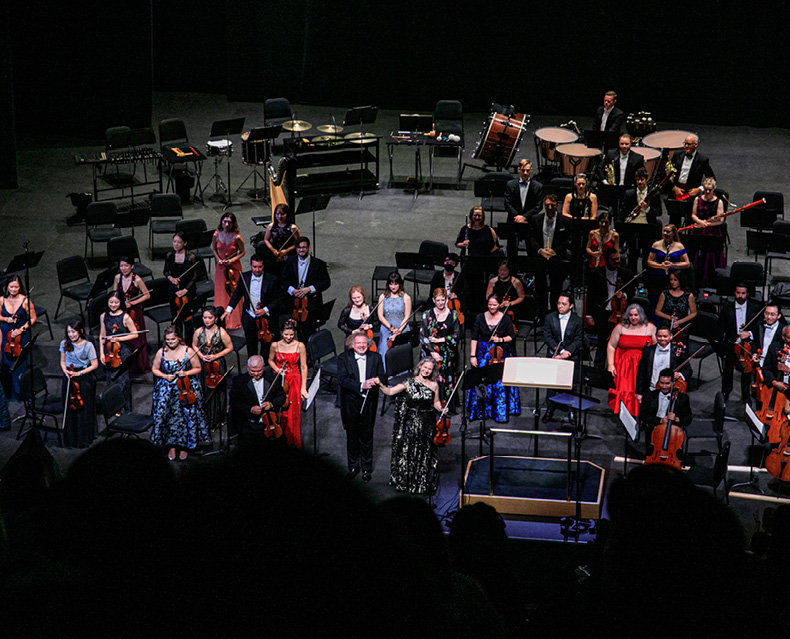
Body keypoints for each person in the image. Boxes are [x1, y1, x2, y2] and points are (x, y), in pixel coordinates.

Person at [377, 358, 444, 495]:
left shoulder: (434, 385)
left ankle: (420, 481)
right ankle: (407, 481)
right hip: (411, 423)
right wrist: (379, 384)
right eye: (424, 367)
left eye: (429, 369)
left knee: (424, 451)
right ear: (420, 367)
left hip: (427, 423)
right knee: (409, 451)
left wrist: (442, 408)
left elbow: (435, 402)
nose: (426, 370)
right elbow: (389, 392)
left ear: (433, 371)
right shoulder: (408, 383)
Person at [151, 324, 210, 461]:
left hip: (185, 387)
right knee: (169, 417)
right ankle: (171, 445)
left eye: (173, 339)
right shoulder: (162, 352)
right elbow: (155, 368)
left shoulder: (188, 351)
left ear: (179, 338)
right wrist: (165, 376)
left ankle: (185, 446)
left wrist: (185, 372)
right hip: (167, 389)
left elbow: (197, 368)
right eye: (168, 340)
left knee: (186, 418)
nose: (170, 342)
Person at [338, 333, 387, 482]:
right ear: (352, 345)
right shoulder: (343, 358)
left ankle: (366, 468)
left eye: (364, 343)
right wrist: (361, 386)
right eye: (358, 343)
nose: (361, 346)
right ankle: (353, 466)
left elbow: (383, 377)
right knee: (352, 435)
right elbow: (342, 380)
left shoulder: (376, 358)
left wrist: (377, 380)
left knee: (367, 436)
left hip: (369, 402)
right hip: (351, 402)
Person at [467, 294, 520, 423]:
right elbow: (474, 337)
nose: (492, 307)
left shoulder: (505, 318)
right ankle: (481, 411)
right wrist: (473, 356)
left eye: (495, 305)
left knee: (499, 383)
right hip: (483, 353)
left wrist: (500, 339)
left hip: (500, 354)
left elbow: (512, 336)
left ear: (499, 305)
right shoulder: (480, 317)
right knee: (482, 381)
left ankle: (499, 412)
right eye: (490, 304)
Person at [223, 255, 281, 358]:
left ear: (263, 266)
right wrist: (229, 310)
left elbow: (278, 299)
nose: (257, 270)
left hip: (266, 318)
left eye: (260, 267)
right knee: (251, 344)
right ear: (250, 265)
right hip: (249, 316)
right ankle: (252, 367)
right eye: (254, 267)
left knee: (266, 345)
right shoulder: (244, 277)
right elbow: (237, 294)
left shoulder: (273, 279)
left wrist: (265, 310)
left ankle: (265, 367)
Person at [587, 248, 634, 368]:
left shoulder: (626, 273)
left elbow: (632, 293)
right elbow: (591, 295)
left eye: (618, 258)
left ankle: (617, 369)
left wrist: (624, 295)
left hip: (619, 313)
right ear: (606, 260)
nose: (617, 261)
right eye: (613, 260)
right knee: (602, 342)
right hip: (602, 312)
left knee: (619, 343)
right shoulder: (596, 273)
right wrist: (589, 315)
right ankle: (598, 369)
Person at [542, 292, 585, 424]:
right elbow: (548, 337)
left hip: (570, 355)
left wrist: (568, 352)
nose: (560, 306)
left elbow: (579, 340)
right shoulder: (550, 318)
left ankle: (572, 410)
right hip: (555, 354)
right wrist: (560, 351)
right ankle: (549, 409)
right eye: (559, 303)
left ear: (571, 305)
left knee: (571, 383)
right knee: (551, 383)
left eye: (564, 304)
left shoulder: (578, 321)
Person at [229, 354, 287, 448]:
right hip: (249, 425)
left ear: (263, 366)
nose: (256, 374)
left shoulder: (272, 378)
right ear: (248, 368)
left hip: (270, 424)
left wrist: (271, 404)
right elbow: (234, 402)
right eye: (252, 371)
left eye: (259, 371)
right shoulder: (239, 381)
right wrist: (250, 409)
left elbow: (282, 396)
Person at [608, 303, 656, 415]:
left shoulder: (650, 328)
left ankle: (639, 414)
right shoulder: (620, 327)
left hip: (641, 365)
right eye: (631, 315)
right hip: (624, 366)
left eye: (636, 315)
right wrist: (610, 364)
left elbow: (656, 346)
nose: (633, 318)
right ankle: (624, 414)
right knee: (625, 390)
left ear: (641, 315)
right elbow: (611, 345)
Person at [268, 319, 309, 448]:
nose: (289, 337)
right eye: (286, 334)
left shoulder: (300, 345)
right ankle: (279, 438)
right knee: (278, 410)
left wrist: (303, 388)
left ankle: (292, 442)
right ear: (281, 333)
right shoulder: (275, 345)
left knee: (292, 414)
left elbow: (303, 367)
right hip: (279, 379)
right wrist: (277, 369)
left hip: (294, 380)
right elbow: (270, 360)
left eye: (291, 334)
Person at [280, 236, 331, 341]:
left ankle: (308, 354)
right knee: (291, 332)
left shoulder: (318, 264)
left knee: (309, 332)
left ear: (309, 247)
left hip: (311, 304)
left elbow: (326, 282)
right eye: (299, 247)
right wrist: (292, 290)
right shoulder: (290, 261)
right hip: (293, 303)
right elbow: (283, 279)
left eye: (304, 247)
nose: (301, 250)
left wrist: (309, 289)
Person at [528, 194, 571, 315]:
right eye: (547, 205)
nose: (550, 207)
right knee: (540, 289)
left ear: (557, 205)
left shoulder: (565, 221)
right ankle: (541, 314)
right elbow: (530, 237)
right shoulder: (536, 219)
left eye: (552, 205)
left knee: (556, 289)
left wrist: (555, 251)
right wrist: (540, 250)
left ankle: (554, 314)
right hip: (540, 258)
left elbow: (568, 240)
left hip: (556, 259)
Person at [192, 306, 233, 430]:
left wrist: (215, 355)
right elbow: (194, 345)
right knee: (203, 388)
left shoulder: (222, 332)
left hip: (217, 364)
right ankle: (204, 419)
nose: (207, 320)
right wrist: (201, 356)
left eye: (210, 318)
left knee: (217, 391)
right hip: (203, 363)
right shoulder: (199, 331)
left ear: (215, 318)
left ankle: (216, 419)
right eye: (205, 317)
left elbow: (229, 347)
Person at [718, 283, 761, 401]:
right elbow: (721, 328)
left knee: (747, 370)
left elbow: (758, 327)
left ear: (747, 294)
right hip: (731, 344)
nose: (740, 296)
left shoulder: (754, 308)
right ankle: (726, 391)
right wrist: (722, 346)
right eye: (738, 293)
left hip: (747, 344)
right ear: (734, 293)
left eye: (743, 293)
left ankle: (745, 395)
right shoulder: (727, 308)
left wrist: (749, 333)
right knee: (728, 370)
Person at [419, 288, 461, 405]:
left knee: (445, 378)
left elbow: (457, 335)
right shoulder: (426, 314)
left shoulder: (453, 314)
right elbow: (422, 336)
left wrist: (440, 339)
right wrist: (433, 352)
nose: (441, 303)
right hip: (430, 353)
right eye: (438, 300)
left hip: (446, 353)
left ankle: (444, 404)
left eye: (443, 300)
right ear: (433, 300)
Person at [60, 321, 99, 448]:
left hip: (83, 377)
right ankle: (71, 438)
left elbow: (94, 365)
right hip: (69, 375)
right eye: (69, 332)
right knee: (69, 408)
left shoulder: (88, 345)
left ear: (80, 331)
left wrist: (79, 373)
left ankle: (83, 437)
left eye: (73, 331)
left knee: (83, 407)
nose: (71, 334)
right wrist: (65, 370)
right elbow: (62, 361)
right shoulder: (64, 344)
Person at [455, 206, 499, 312]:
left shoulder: (488, 230)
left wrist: (486, 253)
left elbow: (496, 245)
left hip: (482, 263)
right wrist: (463, 244)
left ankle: (479, 311)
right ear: (471, 216)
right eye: (475, 215)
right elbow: (457, 244)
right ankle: (468, 311)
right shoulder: (465, 229)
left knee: (480, 288)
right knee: (468, 288)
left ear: (482, 216)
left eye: (479, 215)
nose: (477, 217)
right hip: (468, 262)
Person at [99, 291, 137, 410]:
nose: (113, 305)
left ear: (121, 302)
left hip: (123, 350)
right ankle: (114, 408)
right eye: (111, 302)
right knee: (111, 379)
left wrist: (119, 338)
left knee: (123, 380)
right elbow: (102, 335)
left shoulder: (125, 316)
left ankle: (125, 408)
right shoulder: (103, 316)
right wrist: (101, 352)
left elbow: (135, 334)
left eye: (116, 302)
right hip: (109, 350)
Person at [0, 275, 37, 400]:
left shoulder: (25, 301)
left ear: (20, 287)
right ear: (7, 287)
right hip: (6, 334)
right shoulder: (1, 300)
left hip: (20, 336)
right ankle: (10, 393)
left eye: (16, 287)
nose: (14, 289)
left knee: (20, 363)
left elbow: (33, 318)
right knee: (6, 362)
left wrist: (21, 330)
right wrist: (5, 319)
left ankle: (22, 392)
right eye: (11, 287)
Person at [638, 368, 693, 450]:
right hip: (653, 430)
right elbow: (643, 415)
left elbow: (688, 419)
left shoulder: (682, 399)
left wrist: (676, 419)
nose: (664, 386)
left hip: (672, 433)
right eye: (662, 383)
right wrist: (659, 421)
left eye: (667, 383)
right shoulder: (649, 396)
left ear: (673, 382)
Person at [113, 256, 151, 373]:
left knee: (136, 338)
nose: (123, 268)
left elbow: (147, 295)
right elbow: (114, 294)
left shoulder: (137, 280)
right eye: (121, 266)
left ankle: (139, 365)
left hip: (134, 312)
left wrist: (133, 302)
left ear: (132, 266)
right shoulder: (117, 278)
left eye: (126, 266)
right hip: (121, 311)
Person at [635, 326, 693, 402]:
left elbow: (688, 370)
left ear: (670, 336)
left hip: (670, 393)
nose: (662, 339)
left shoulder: (678, 351)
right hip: (651, 391)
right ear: (655, 336)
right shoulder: (648, 350)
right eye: (659, 336)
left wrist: (679, 374)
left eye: (665, 336)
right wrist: (639, 393)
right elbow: (641, 372)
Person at [211, 212, 245, 331]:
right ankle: (220, 319)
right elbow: (214, 249)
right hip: (220, 268)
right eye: (224, 221)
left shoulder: (237, 237)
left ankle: (233, 320)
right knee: (221, 292)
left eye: (229, 222)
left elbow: (242, 252)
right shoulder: (216, 235)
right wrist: (218, 259)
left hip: (233, 268)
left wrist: (231, 260)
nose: (226, 224)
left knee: (233, 292)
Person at [690, 177, 726, 288]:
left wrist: (707, 224)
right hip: (698, 230)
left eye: (710, 190)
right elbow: (693, 215)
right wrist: (700, 222)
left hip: (712, 232)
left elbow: (720, 220)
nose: (707, 192)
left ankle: (709, 282)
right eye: (706, 189)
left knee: (709, 255)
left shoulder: (719, 202)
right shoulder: (697, 199)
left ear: (714, 189)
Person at [504, 159, 544, 259]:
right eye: (523, 170)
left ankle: (531, 272)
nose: (525, 173)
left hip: (530, 221)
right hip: (513, 220)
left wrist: (524, 217)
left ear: (531, 170)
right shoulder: (510, 184)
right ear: (518, 169)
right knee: (511, 249)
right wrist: (517, 216)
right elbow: (507, 203)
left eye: (527, 170)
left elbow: (538, 206)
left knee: (531, 248)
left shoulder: (538, 187)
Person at [646, 224, 691, 306]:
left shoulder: (679, 246)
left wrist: (672, 265)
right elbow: (649, 261)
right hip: (658, 277)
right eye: (664, 231)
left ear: (673, 233)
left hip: (673, 278)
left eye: (668, 232)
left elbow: (687, 263)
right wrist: (660, 266)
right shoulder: (656, 244)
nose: (665, 233)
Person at [252, 202, 300, 278]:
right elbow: (266, 240)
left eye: (282, 214)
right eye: (277, 214)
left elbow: (299, 243)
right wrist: (273, 250)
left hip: (289, 253)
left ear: (287, 214)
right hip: (276, 252)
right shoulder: (271, 226)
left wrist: (286, 251)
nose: (279, 216)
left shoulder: (293, 228)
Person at [163, 231, 197, 327]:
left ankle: (189, 339)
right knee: (175, 316)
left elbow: (194, 276)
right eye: (174, 242)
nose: (176, 244)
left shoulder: (191, 257)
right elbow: (165, 272)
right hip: (173, 288)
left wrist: (185, 290)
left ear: (185, 243)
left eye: (179, 242)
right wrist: (171, 278)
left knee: (187, 317)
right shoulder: (170, 255)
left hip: (187, 288)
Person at [377, 271, 412, 367]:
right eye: (391, 284)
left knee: (401, 355)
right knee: (386, 352)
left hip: (402, 327)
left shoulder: (406, 297)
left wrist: (399, 330)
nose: (393, 286)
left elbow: (407, 316)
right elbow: (380, 316)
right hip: (387, 327)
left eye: (395, 284)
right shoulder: (382, 297)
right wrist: (391, 329)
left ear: (400, 284)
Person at [670, 134, 716, 200]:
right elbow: (668, 174)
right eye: (685, 144)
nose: (686, 146)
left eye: (689, 144)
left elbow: (712, 179)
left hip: (691, 195)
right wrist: (674, 187)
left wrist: (699, 189)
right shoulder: (677, 155)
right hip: (676, 192)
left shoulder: (702, 160)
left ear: (696, 145)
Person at [654, 271, 697, 341]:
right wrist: (669, 318)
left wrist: (680, 321)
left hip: (682, 325)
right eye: (671, 279)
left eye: (675, 280)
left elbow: (693, 313)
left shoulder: (688, 295)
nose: (672, 282)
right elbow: (657, 311)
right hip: (667, 324)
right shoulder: (664, 294)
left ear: (680, 280)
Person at [485, 259, 525, 323]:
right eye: (500, 270)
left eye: (504, 270)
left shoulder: (516, 282)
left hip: (511, 307)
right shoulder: (492, 281)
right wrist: (496, 304)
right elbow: (488, 296)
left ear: (509, 270)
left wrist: (510, 303)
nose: (502, 272)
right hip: (495, 306)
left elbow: (521, 297)